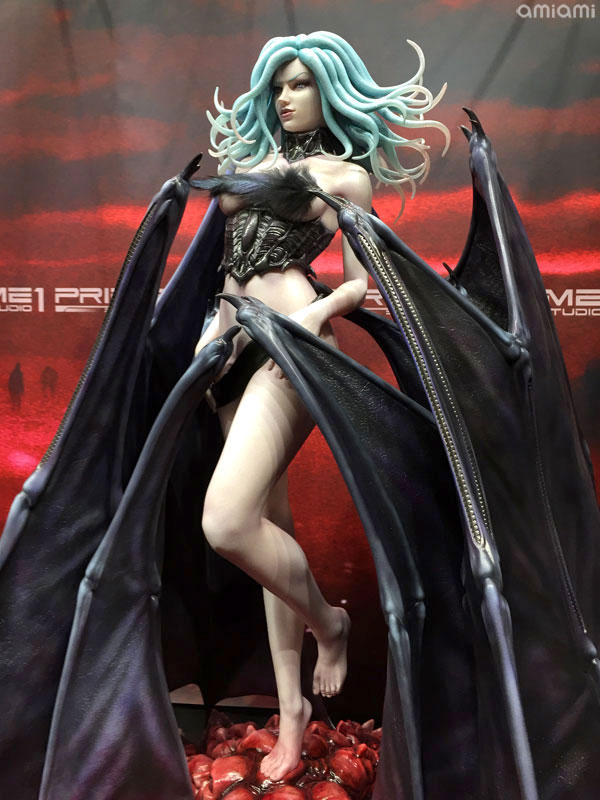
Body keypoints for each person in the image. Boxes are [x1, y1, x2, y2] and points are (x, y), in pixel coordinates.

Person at [193, 31, 449, 781]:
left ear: (330, 90)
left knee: (226, 522)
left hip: (293, 351)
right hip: (230, 357)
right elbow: (224, 271)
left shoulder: (345, 177)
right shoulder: (249, 168)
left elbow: (360, 283)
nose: (285, 97)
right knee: (267, 530)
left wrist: (313, 313)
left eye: (301, 83)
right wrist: (207, 339)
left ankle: (329, 623)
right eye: (278, 85)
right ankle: (292, 712)